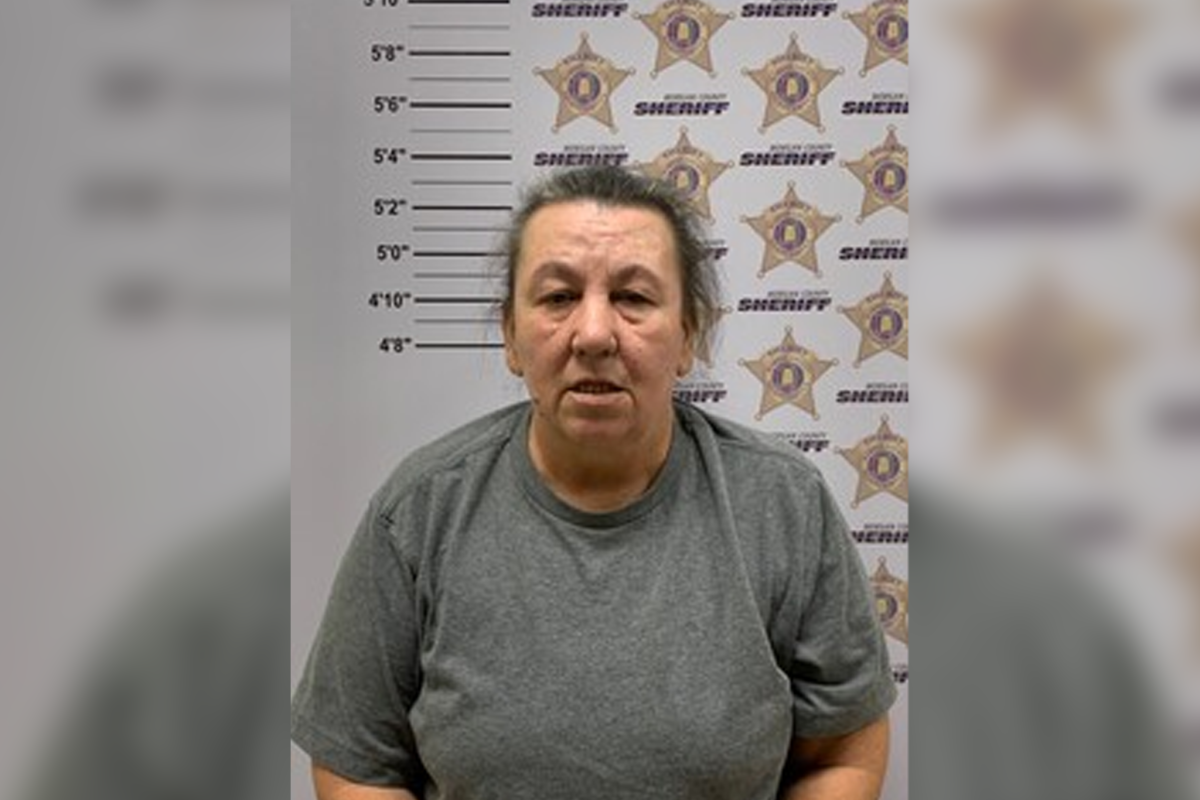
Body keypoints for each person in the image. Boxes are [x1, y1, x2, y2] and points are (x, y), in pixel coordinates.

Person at [290, 166, 896, 800]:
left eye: (633, 297)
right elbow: (357, 764)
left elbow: (842, 754)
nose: (595, 334)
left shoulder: (784, 506)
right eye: (558, 297)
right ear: (510, 335)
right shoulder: (418, 513)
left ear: (687, 335)